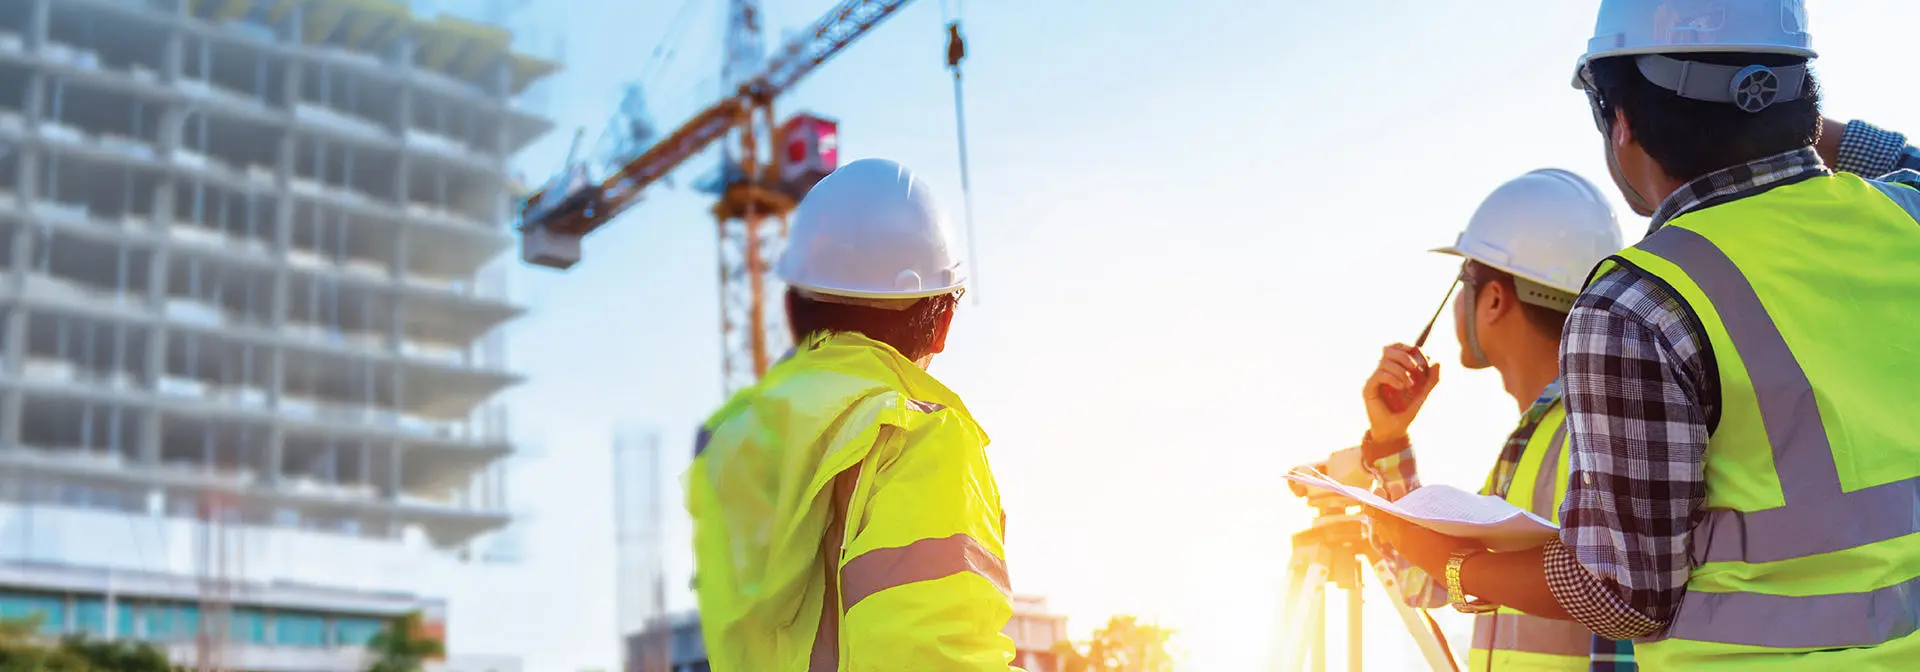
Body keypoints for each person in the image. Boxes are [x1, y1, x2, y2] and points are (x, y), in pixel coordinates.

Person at [1365, 1, 1920, 669]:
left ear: (1620, 121)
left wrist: (1457, 570)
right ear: (1799, 87)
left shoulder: (1639, 302)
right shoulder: (1903, 216)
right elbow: (1898, 156)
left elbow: (1625, 595)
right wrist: (1768, 106)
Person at [686, 158, 1019, 670]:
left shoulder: (736, 447)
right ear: (942, 324)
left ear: (797, 307)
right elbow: (935, 659)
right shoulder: (916, 435)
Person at [1356, 169, 1628, 671]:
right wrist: (1392, 443)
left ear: (1496, 299)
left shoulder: (1588, 432)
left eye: (1465, 283)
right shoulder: (1535, 441)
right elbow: (1433, 581)